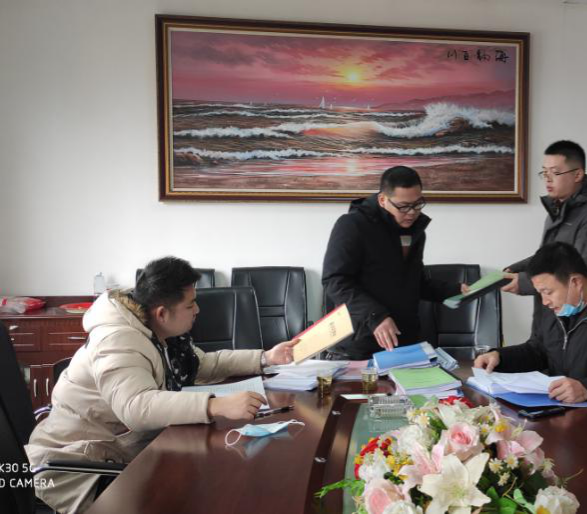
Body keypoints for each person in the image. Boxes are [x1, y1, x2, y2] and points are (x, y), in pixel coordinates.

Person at [25, 257, 298, 514]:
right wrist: (216, 405)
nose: (197, 310)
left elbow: (204, 364)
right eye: (190, 305)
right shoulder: (118, 340)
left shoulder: (157, 331)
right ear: (162, 313)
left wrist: (265, 358)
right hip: (79, 464)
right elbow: (137, 406)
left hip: (121, 449)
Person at [475, 242, 587, 424]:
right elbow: (538, 350)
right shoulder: (559, 308)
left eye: (548, 292)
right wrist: (500, 356)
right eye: (540, 293)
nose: (544, 301)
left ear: (575, 282)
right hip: (567, 413)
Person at [322, 166, 466, 360]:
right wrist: (376, 316)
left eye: (417, 204)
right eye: (403, 206)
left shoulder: (415, 231)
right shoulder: (352, 225)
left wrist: (455, 290)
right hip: (360, 343)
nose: (412, 213)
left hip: (404, 341)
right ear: (383, 199)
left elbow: (414, 282)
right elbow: (335, 281)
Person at [502, 140, 587, 300]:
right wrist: (516, 269)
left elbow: (584, 270)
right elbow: (547, 259)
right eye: (545, 172)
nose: (547, 179)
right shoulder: (557, 210)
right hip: (551, 307)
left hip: (579, 310)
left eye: (555, 172)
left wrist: (525, 281)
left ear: (577, 175)